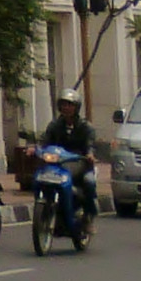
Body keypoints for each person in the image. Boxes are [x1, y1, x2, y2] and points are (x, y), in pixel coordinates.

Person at [39, 91, 99, 230]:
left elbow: (90, 145)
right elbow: (44, 141)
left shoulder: (86, 127)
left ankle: (88, 216)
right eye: (63, 105)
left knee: (89, 182)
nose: (66, 108)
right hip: (59, 163)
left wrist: (89, 154)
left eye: (70, 105)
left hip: (81, 163)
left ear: (76, 107)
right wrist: (35, 149)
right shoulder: (54, 125)